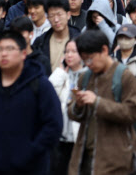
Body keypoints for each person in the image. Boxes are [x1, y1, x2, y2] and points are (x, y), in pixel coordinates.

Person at [0, 29, 62, 175]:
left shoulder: (40, 84)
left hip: (31, 168)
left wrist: (33, 151)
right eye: (0, 49)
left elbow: (53, 124)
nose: (4, 54)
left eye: (10, 49)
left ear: (23, 54)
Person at [69, 30, 136, 174]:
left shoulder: (124, 77)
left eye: (90, 59)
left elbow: (133, 113)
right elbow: (73, 113)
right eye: (84, 60)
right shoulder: (85, 77)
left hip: (116, 161)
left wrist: (97, 103)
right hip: (84, 158)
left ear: (104, 50)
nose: (88, 64)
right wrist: (77, 106)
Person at [48, 40, 85, 175]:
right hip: (60, 136)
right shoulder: (61, 75)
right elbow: (49, 95)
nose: (69, 55)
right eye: (67, 52)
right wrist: (60, 73)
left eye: (73, 52)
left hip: (78, 137)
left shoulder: (87, 75)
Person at [34, 0, 81, 73]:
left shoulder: (79, 39)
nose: (56, 20)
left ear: (68, 15)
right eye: (52, 15)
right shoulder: (40, 42)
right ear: (47, 18)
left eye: (59, 14)